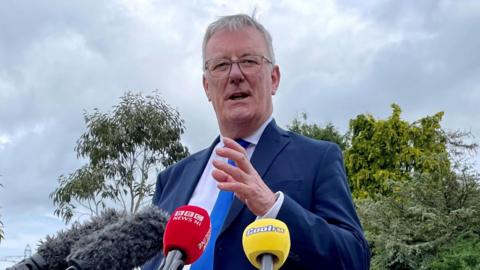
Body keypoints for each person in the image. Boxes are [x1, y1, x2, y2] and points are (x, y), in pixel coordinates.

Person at [142, 14, 369, 270]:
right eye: (220, 65)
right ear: (207, 86)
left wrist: (274, 207)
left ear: (273, 78)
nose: (235, 75)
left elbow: (354, 258)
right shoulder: (171, 179)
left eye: (249, 61)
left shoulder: (318, 158)